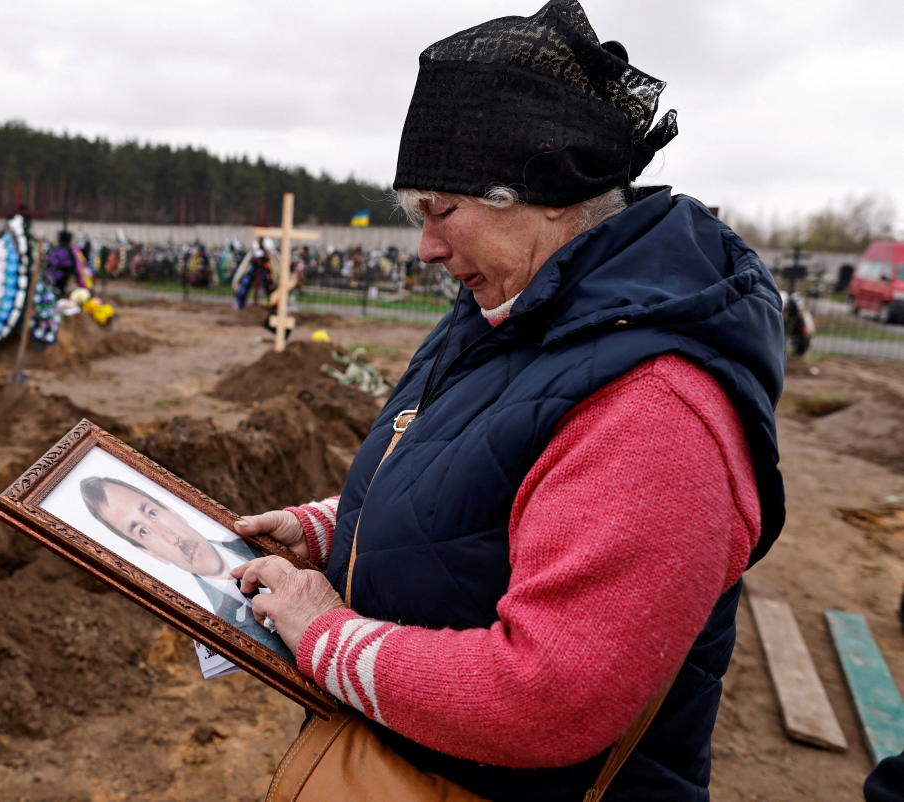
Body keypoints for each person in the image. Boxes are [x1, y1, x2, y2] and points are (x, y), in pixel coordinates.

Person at [229, 2, 786, 800]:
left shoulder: (655, 406)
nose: (425, 246)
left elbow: (547, 696)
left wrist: (326, 635)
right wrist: (335, 529)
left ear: (551, 190)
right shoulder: (511, 314)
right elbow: (487, 486)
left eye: (442, 209)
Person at [79, 476, 289, 655]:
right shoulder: (220, 627)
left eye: (151, 512)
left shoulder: (272, 542)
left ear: (173, 511)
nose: (172, 538)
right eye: (142, 531)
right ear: (149, 553)